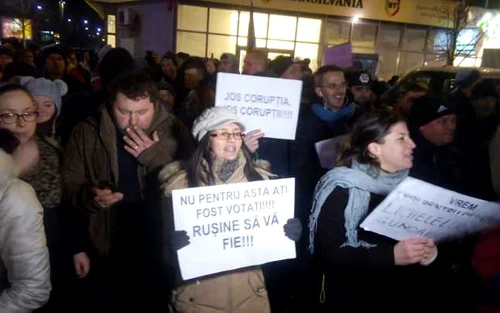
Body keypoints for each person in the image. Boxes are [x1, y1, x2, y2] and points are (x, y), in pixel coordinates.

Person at [62, 69, 195, 312]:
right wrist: (89, 196)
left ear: (155, 105)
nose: (133, 121)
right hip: (106, 241)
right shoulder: (87, 131)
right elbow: (69, 184)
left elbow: (194, 186)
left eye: (142, 112)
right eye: (124, 112)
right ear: (111, 105)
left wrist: (155, 159)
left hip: (158, 242)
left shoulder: (176, 130)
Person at [158, 107, 301, 313]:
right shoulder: (179, 187)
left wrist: (287, 232)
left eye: (236, 134)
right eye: (223, 134)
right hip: (197, 300)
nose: (232, 140)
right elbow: (166, 258)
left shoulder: (261, 180)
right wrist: (173, 246)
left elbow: (270, 249)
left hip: (250, 297)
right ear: (206, 139)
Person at [308, 109, 437, 312]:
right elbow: (330, 253)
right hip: (353, 296)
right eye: (401, 138)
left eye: (409, 137)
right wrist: (390, 256)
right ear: (375, 148)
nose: (412, 144)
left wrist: (429, 253)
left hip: (401, 293)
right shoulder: (342, 188)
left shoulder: (414, 184)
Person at [0, 127, 51, 312]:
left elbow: (32, 289)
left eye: (28, 113)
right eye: (9, 114)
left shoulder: (15, 196)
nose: (20, 123)